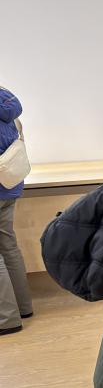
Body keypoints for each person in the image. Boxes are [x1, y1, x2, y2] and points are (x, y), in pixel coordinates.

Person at [0, 87, 32, 336]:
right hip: (10, 184)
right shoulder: (5, 101)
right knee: (8, 245)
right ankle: (23, 307)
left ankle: (6, 319)